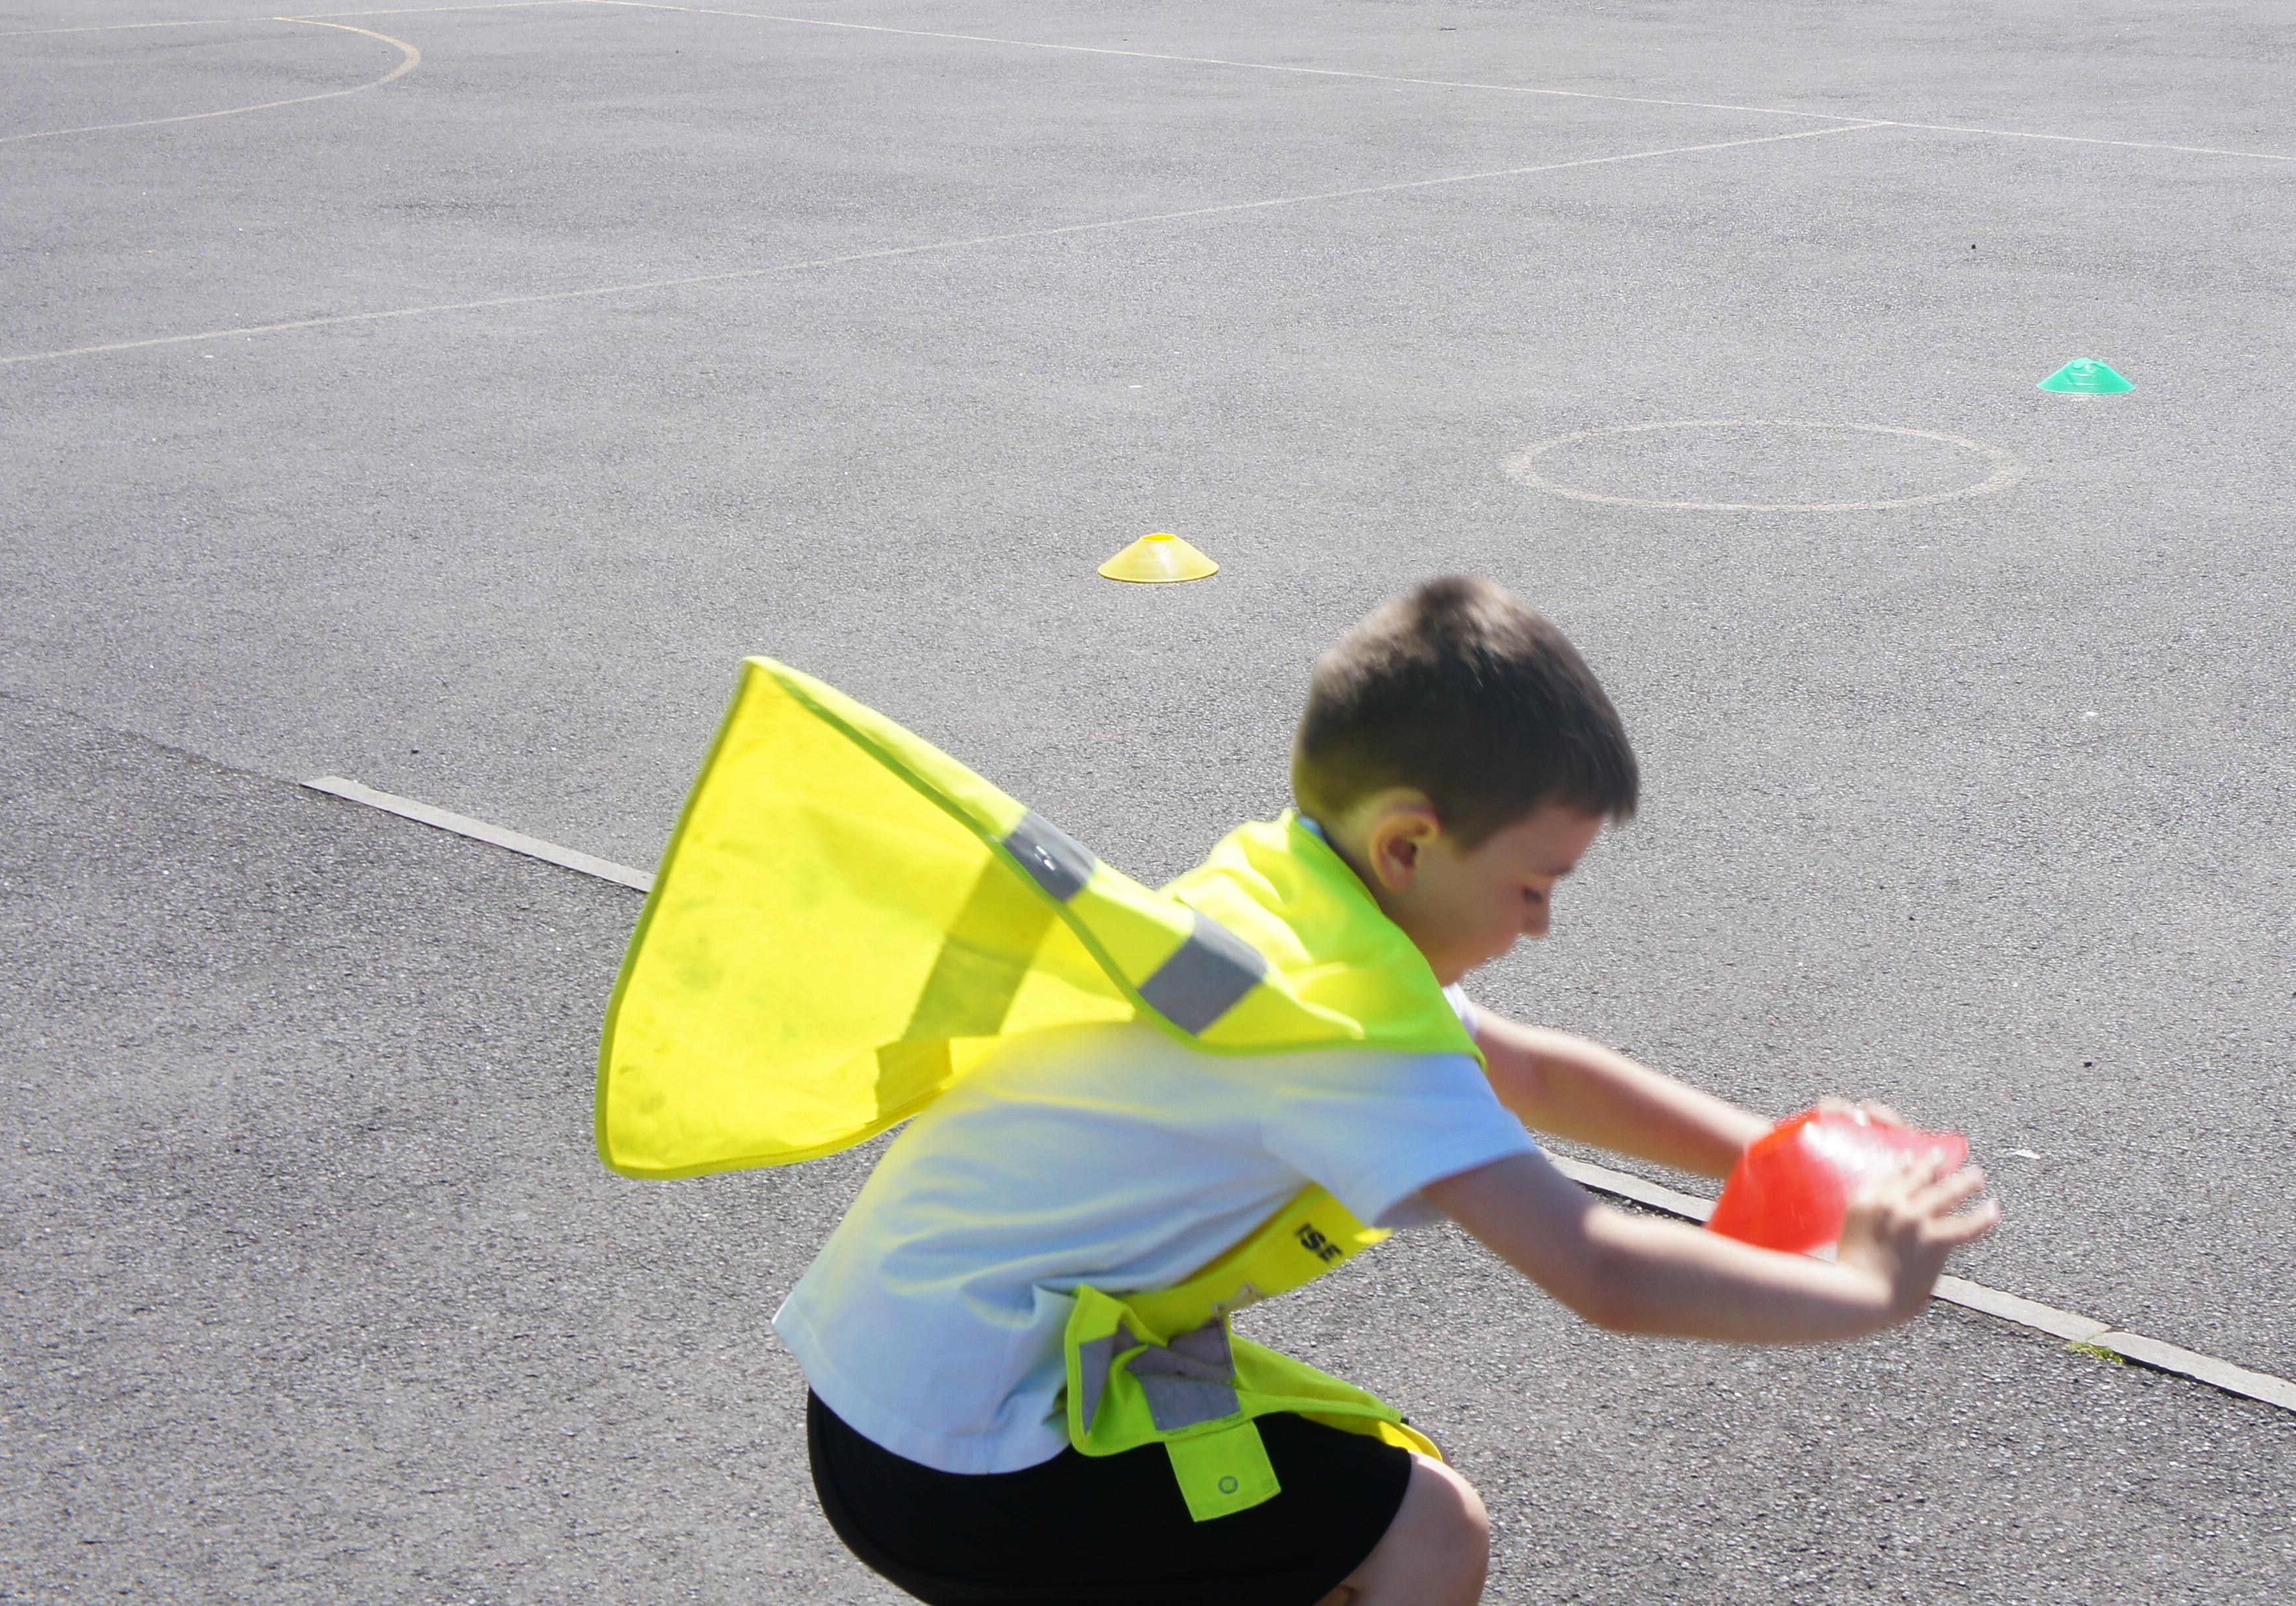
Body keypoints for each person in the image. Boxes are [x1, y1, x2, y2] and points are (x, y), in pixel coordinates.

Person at [767, 577, 1997, 1606]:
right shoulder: (1343, 1035)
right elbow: (1601, 1272)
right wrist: (1865, 1292)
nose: (1542, 924)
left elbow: (1527, 1070)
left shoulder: (1295, 918)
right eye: (1533, 886)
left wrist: (1774, 1154)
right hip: (970, 1458)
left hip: (891, 1403)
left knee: (1334, 1520)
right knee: (1424, 1535)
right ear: (1408, 846)